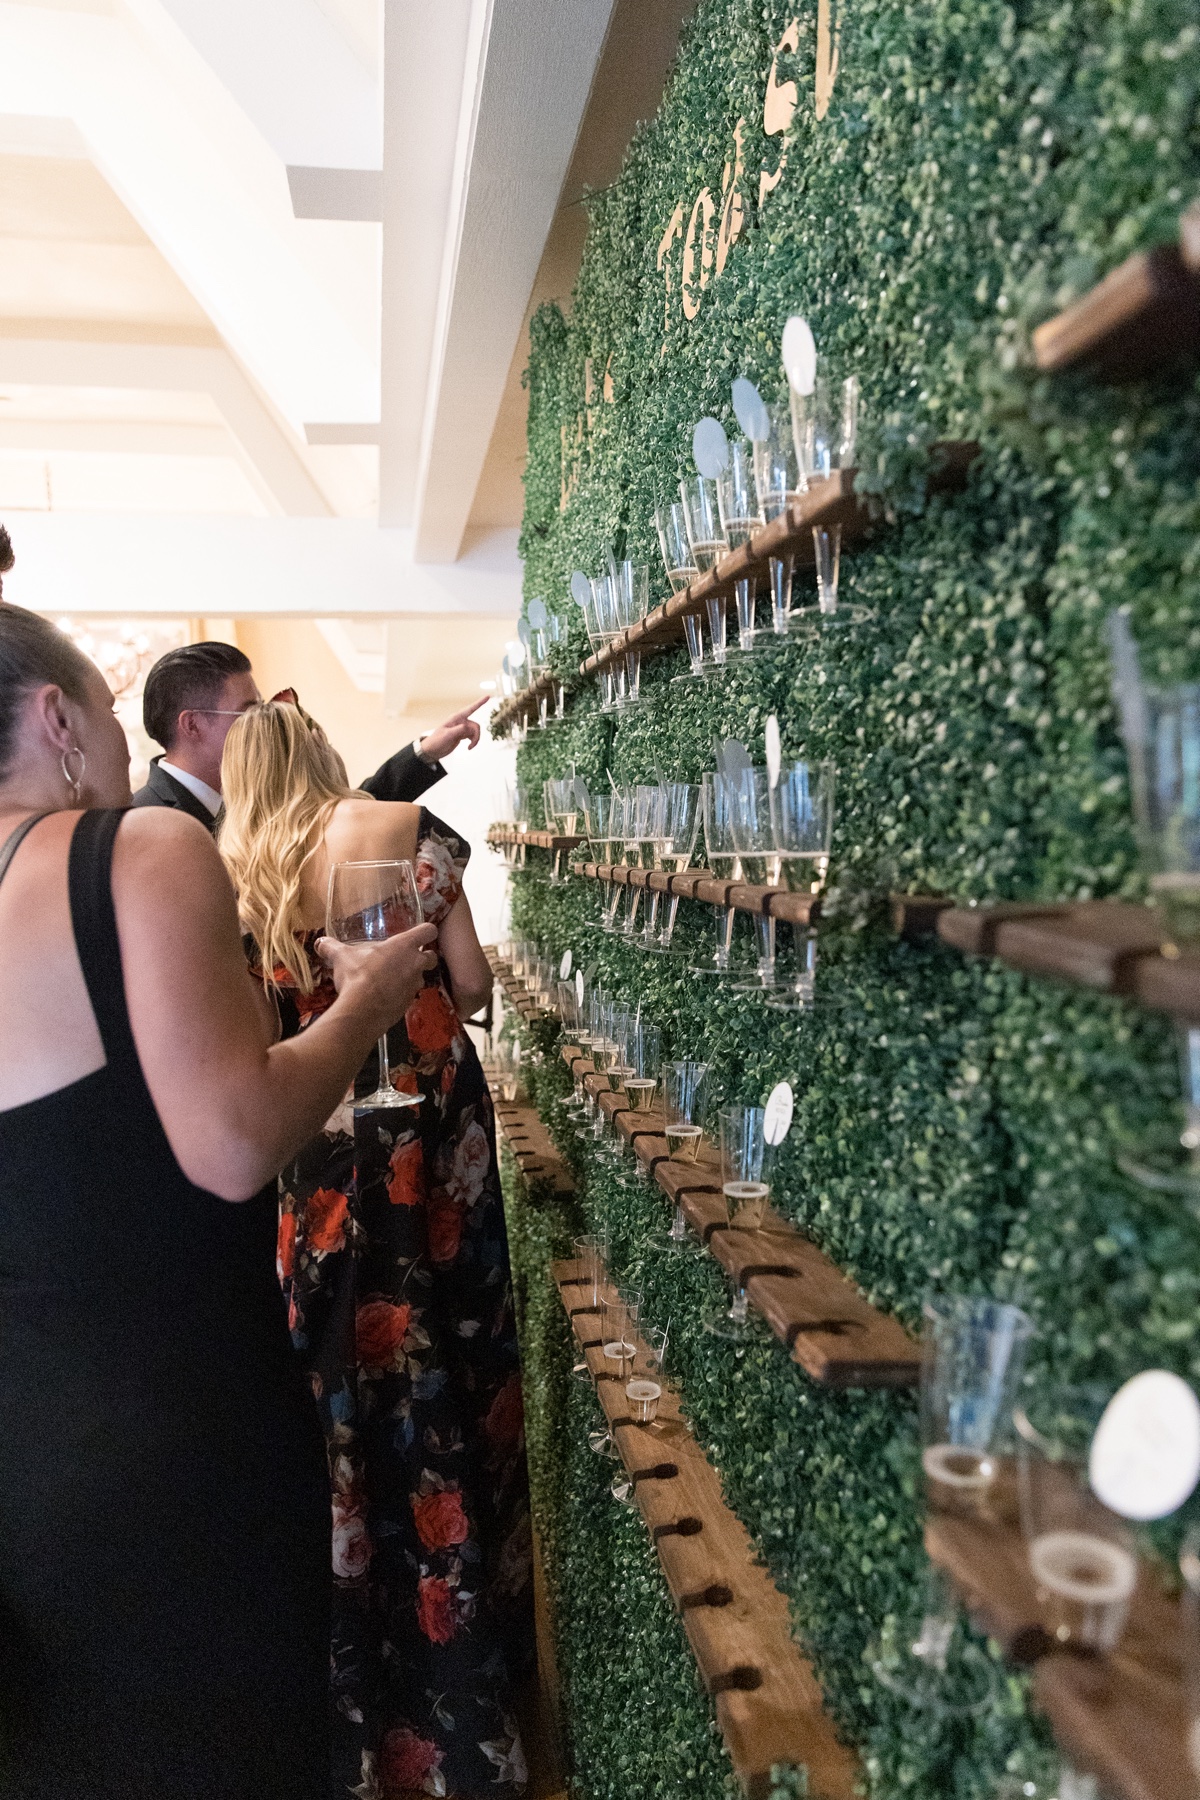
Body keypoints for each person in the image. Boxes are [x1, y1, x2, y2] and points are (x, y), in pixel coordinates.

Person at [0, 604, 440, 1800]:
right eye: (102, 708)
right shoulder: (134, 851)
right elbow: (235, 1143)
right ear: (57, 721)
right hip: (169, 1439)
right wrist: (362, 1000)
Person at [219, 700, 534, 1800]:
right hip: (428, 1140)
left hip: (316, 1158)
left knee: (349, 1388)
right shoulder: (410, 835)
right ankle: (479, 1640)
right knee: (462, 1355)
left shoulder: (234, 877)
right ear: (323, 756)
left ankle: (364, 1659)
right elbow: (477, 987)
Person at [131, 640, 486, 832]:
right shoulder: (145, 821)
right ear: (192, 725)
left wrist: (423, 752)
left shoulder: (256, 787)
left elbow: (336, 816)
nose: (262, 721)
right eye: (247, 710)